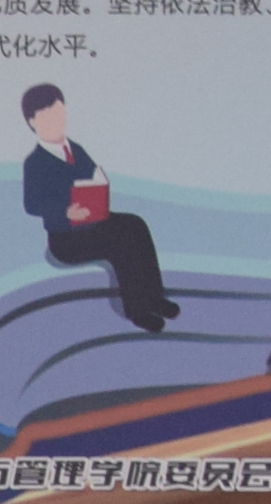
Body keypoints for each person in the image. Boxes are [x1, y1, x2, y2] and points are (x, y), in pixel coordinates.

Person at [17, 82, 175, 332]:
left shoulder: (76, 149)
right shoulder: (35, 162)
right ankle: (138, 310)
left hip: (92, 221)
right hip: (66, 238)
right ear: (32, 122)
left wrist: (97, 186)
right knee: (120, 242)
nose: (57, 122)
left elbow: (92, 177)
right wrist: (65, 211)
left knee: (135, 224)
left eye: (59, 114)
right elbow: (32, 204)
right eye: (48, 117)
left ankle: (154, 297)